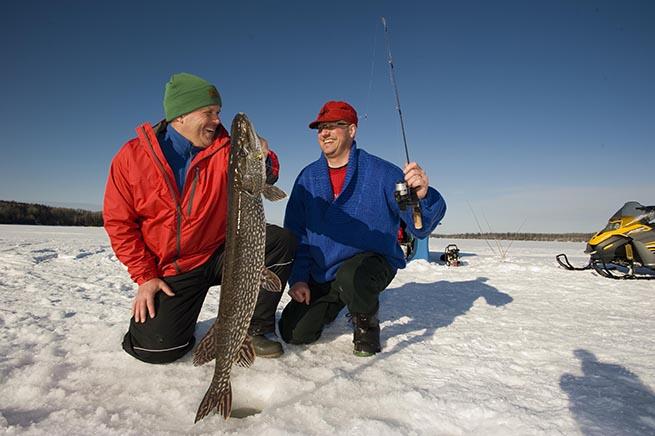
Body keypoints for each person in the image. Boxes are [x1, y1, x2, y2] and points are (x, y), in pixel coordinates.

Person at [103, 72, 296, 364]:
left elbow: (265, 176)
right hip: (174, 268)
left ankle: (255, 326)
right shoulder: (131, 158)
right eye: (208, 112)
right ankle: (179, 320)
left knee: (280, 241)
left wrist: (264, 158)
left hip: (220, 254)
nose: (217, 120)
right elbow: (120, 224)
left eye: (218, 112)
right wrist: (145, 275)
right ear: (179, 116)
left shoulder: (226, 149)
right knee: (157, 350)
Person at [279, 101, 446, 356]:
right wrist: (300, 277)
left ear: (352, 131)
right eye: (321, 127)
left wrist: (422, 197)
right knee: (294, 332)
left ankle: (366, 325)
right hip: (324, 271)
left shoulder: (385, 174)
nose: (325, 132)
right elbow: (296, 234)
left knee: (353, 276)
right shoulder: (307, 178)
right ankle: (334, 303)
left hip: (371, 264)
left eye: (335, 125)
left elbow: (418, 227)